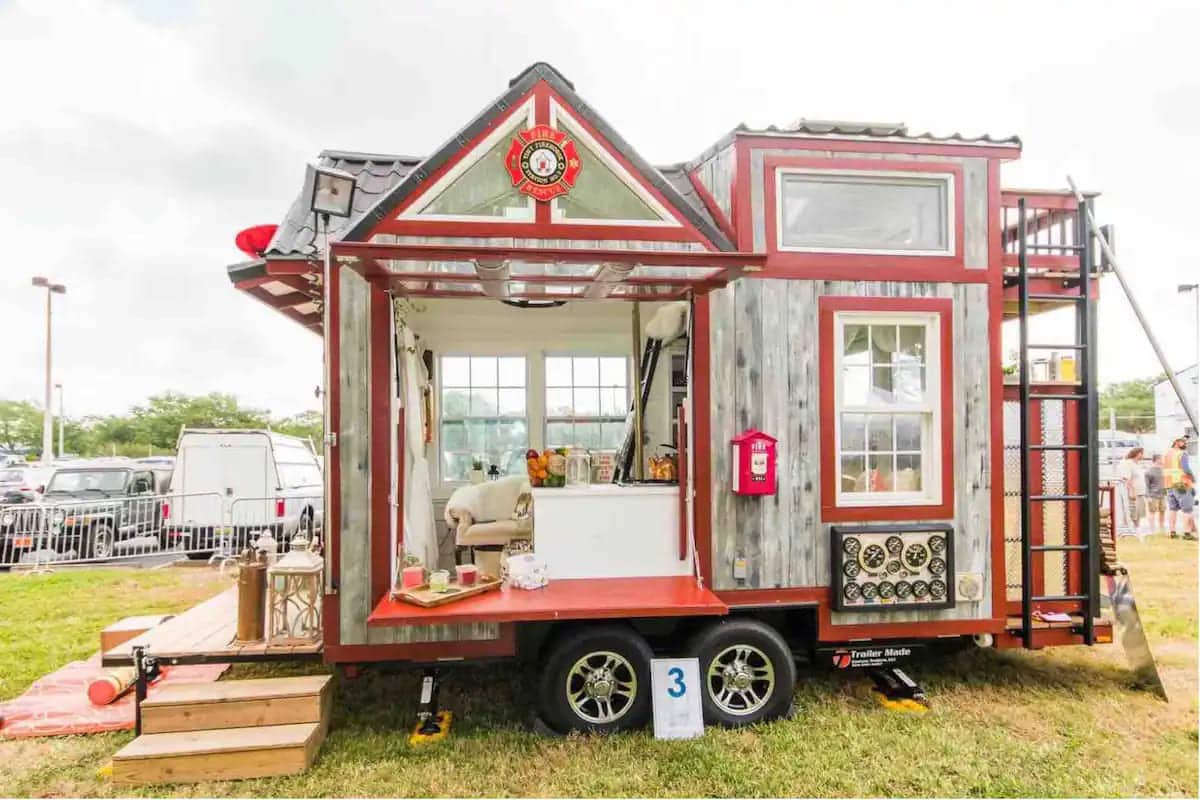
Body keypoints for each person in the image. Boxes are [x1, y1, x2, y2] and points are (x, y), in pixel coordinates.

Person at [1163, 436, 1197, 540]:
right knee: (1187, 510)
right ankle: (1187, 534)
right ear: (1176, 442)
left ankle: (1172, 532)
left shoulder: (1167, 454)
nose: (1185, 442)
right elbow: (1186, 468)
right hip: (1181, 484)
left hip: (1169, 485)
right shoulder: (1182, 453)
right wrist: (1193, 477)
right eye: (1183, 441)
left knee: (1173, 509)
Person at [1117, 447, 1147, 535]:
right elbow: (1126, 478)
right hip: (1133, 491)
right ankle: (1134, 528)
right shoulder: (1128, 463)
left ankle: (1138, 528)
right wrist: (1131, 490)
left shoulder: (1137, 464)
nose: (1143, 455)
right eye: (1142, 453)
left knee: (1140, 511)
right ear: (1137, 454)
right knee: (1134, 510)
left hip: (1140, 491)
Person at [1145, 454, 1167, 534]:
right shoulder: (1149, 471)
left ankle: (1161, 528)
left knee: (1163, 511)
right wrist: (1148, 496)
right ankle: (1152, 530)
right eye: (1161, 459)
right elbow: (1146, 485)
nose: (1163, 460)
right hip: (1153, 495)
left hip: (1163, 495)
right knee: (1152, 512)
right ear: (1157, 459)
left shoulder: (1163, 470)